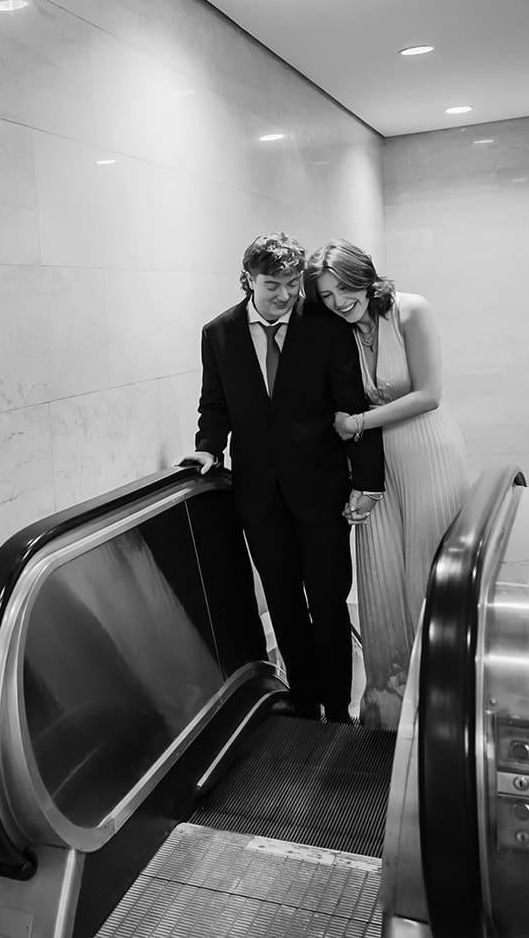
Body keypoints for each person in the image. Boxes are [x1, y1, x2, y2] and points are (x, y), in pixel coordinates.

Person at [183, 232, 385, 723]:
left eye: (294, 284)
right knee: (283, 604)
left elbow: (354, 405)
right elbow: (215, 403)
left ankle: (338, 708)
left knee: (330, 604)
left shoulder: (324, 328)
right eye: (274, 284)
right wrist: (207, 448)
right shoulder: (219, 334)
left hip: (322, 490)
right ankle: (306, 701)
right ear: (248, 279)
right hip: (259, 497)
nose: (286, 295)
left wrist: (368, 480)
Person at [305, 239, 469, 729]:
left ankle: (442, 706)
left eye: (343, 288)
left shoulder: (410, 311)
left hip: (427, 454)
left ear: (364, 275)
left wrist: (358, 421)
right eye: (326, 295)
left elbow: (429, 394)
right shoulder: (335, 331)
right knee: (378, 581)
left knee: (428, 576)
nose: (338, 302)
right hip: (374, 467)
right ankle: (389, 707)